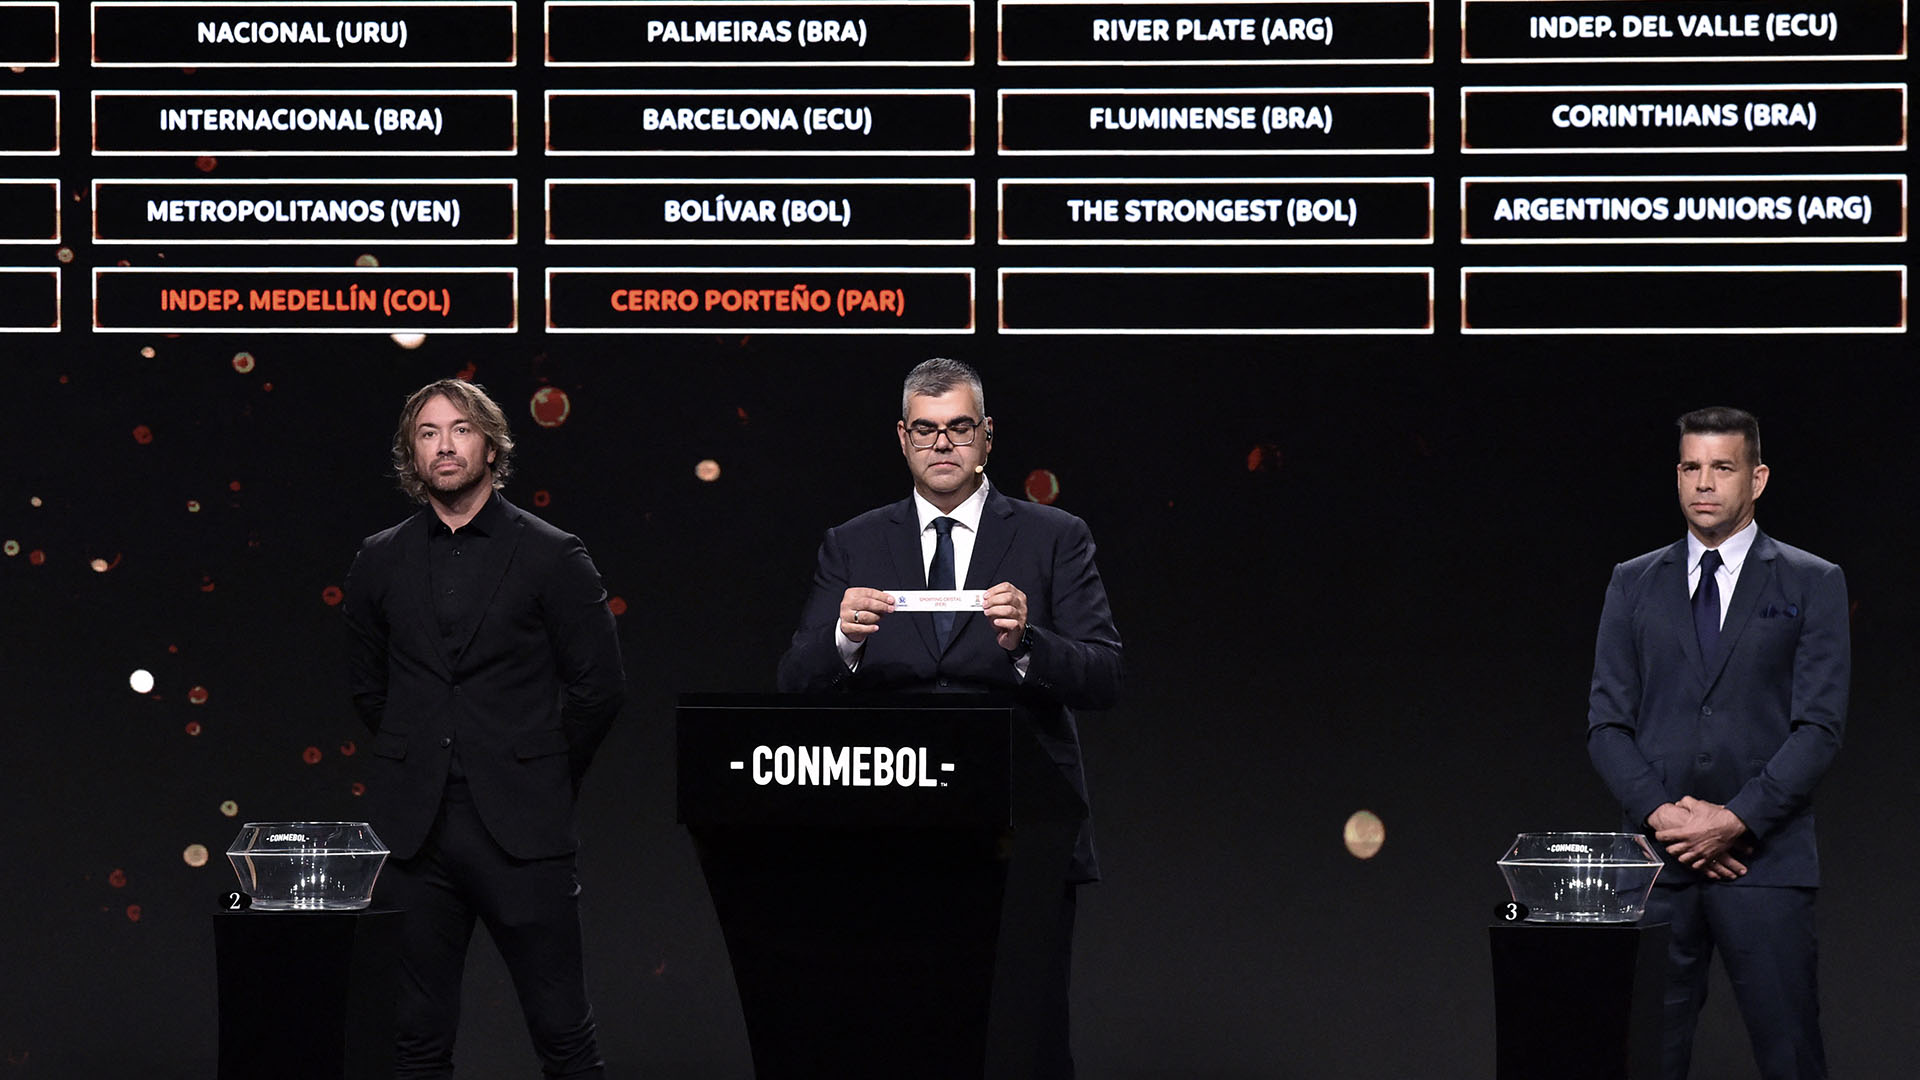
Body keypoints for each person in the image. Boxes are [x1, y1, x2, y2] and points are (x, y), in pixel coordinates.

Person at [777, 357, 1122, 1078]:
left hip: (1024, 828)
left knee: (1027, 1043)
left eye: (959, 428)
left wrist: (1029, 643)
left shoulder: (1054, 535)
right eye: (927, 430)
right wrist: (841, 638)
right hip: (892, 831)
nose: (943, 444)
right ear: (903, 438)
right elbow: (795, 682)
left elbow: (1103, 675)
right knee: (900, 1040)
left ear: (987, 436)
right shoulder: (853, 542)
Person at [344, 378, 626, 1079]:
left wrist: (540, 770)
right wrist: (419, 756)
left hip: (522, 832)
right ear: (412, 453)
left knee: (564, 1038)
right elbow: (369, 687)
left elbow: (599, 688)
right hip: (414, 836)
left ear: (491, 446)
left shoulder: (552, 553)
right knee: (413, 1043)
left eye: (461, 429)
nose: (445, 445)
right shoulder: (379, 557)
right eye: (429, 433)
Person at [1587, 406, 1848, 1080]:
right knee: (1643, 1058)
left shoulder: (1812, 581)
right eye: (1691, 467)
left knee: (1791, 1057)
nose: (1704, 482)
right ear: (1677, 476)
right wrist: (1667, 818)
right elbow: (1606, 725)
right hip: (1655, 867)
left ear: (1757, 479)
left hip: (1765, 862)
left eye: (1722, 467)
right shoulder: (1632, 582)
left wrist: (1735, 821)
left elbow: (1819, 728)